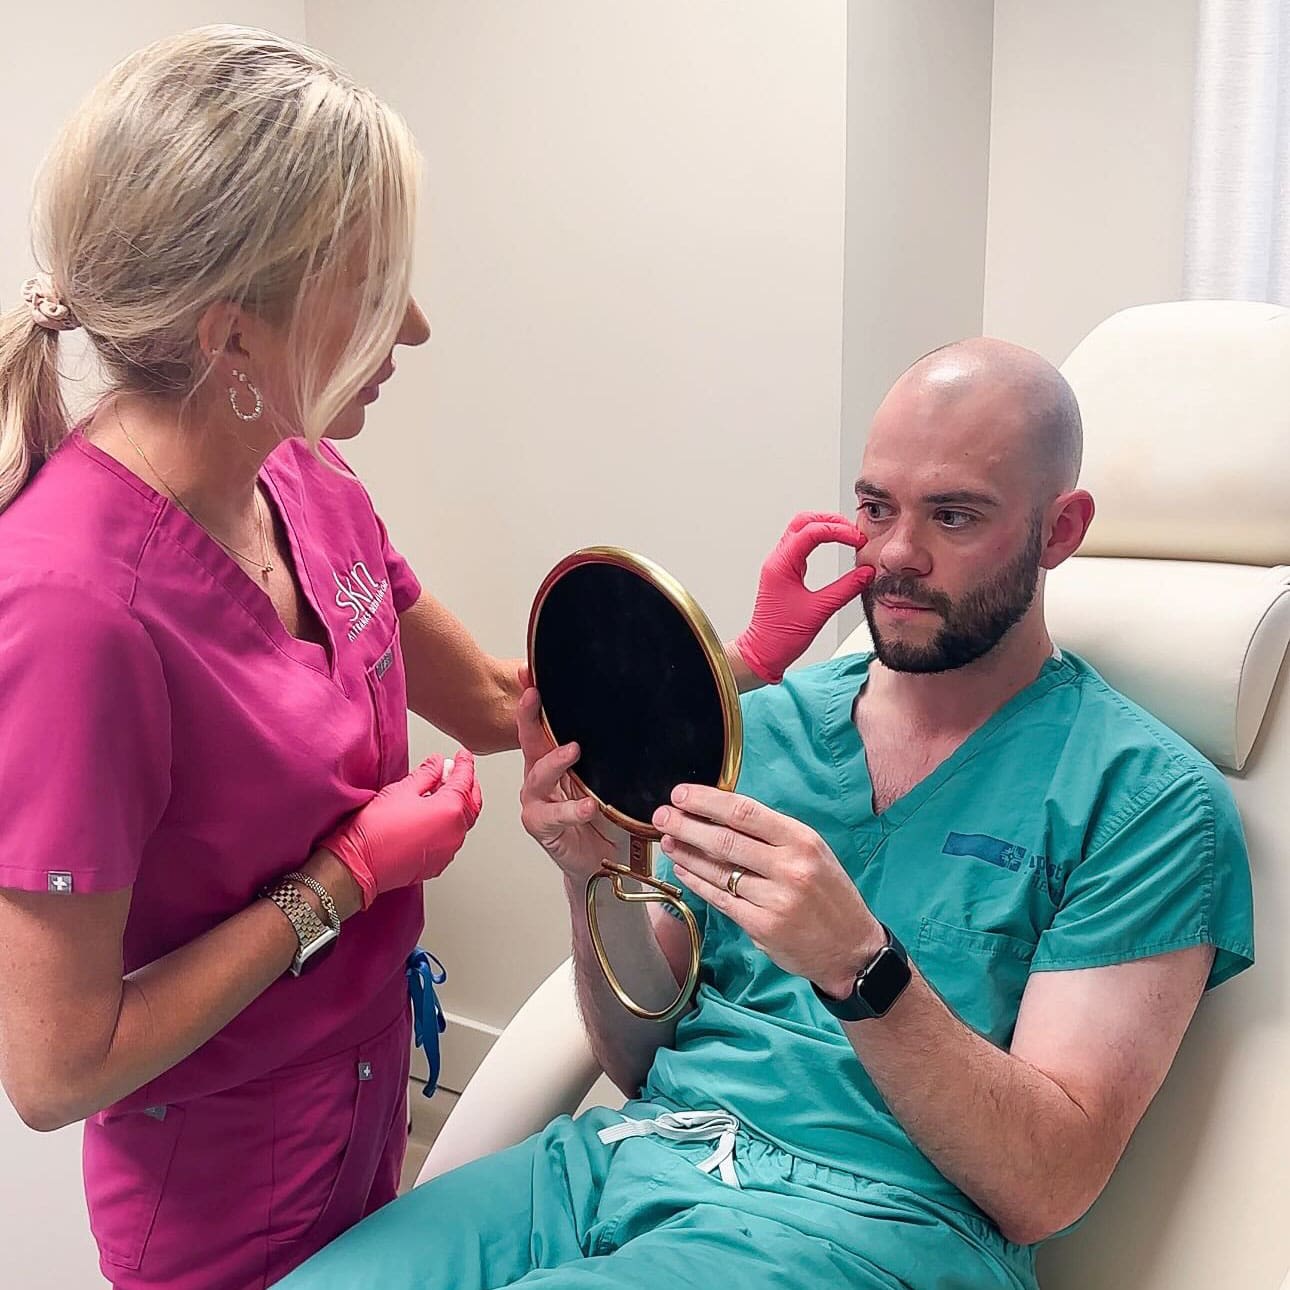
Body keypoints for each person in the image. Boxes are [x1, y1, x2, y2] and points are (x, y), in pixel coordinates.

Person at [0, 29, 865, 1288]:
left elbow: (525, 716)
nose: (412, 325)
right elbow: (53, 1065)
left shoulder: (302, 479)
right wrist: (346, 877)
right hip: (218, 1187)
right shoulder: (71, 609)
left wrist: (747, 660)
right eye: (370, 287)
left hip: (365, 1106)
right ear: (232, 335)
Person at [281, 338, 1255, 1290]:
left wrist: (857, 964)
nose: (896, 555)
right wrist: (592, 878)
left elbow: (1045, 1187)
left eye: (954, 517)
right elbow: (637, 1059)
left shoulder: (1144, 802)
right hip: (630, 1156)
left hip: (866, 1230)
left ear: (1059, 530)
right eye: (876, 508)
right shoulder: (766, 731)